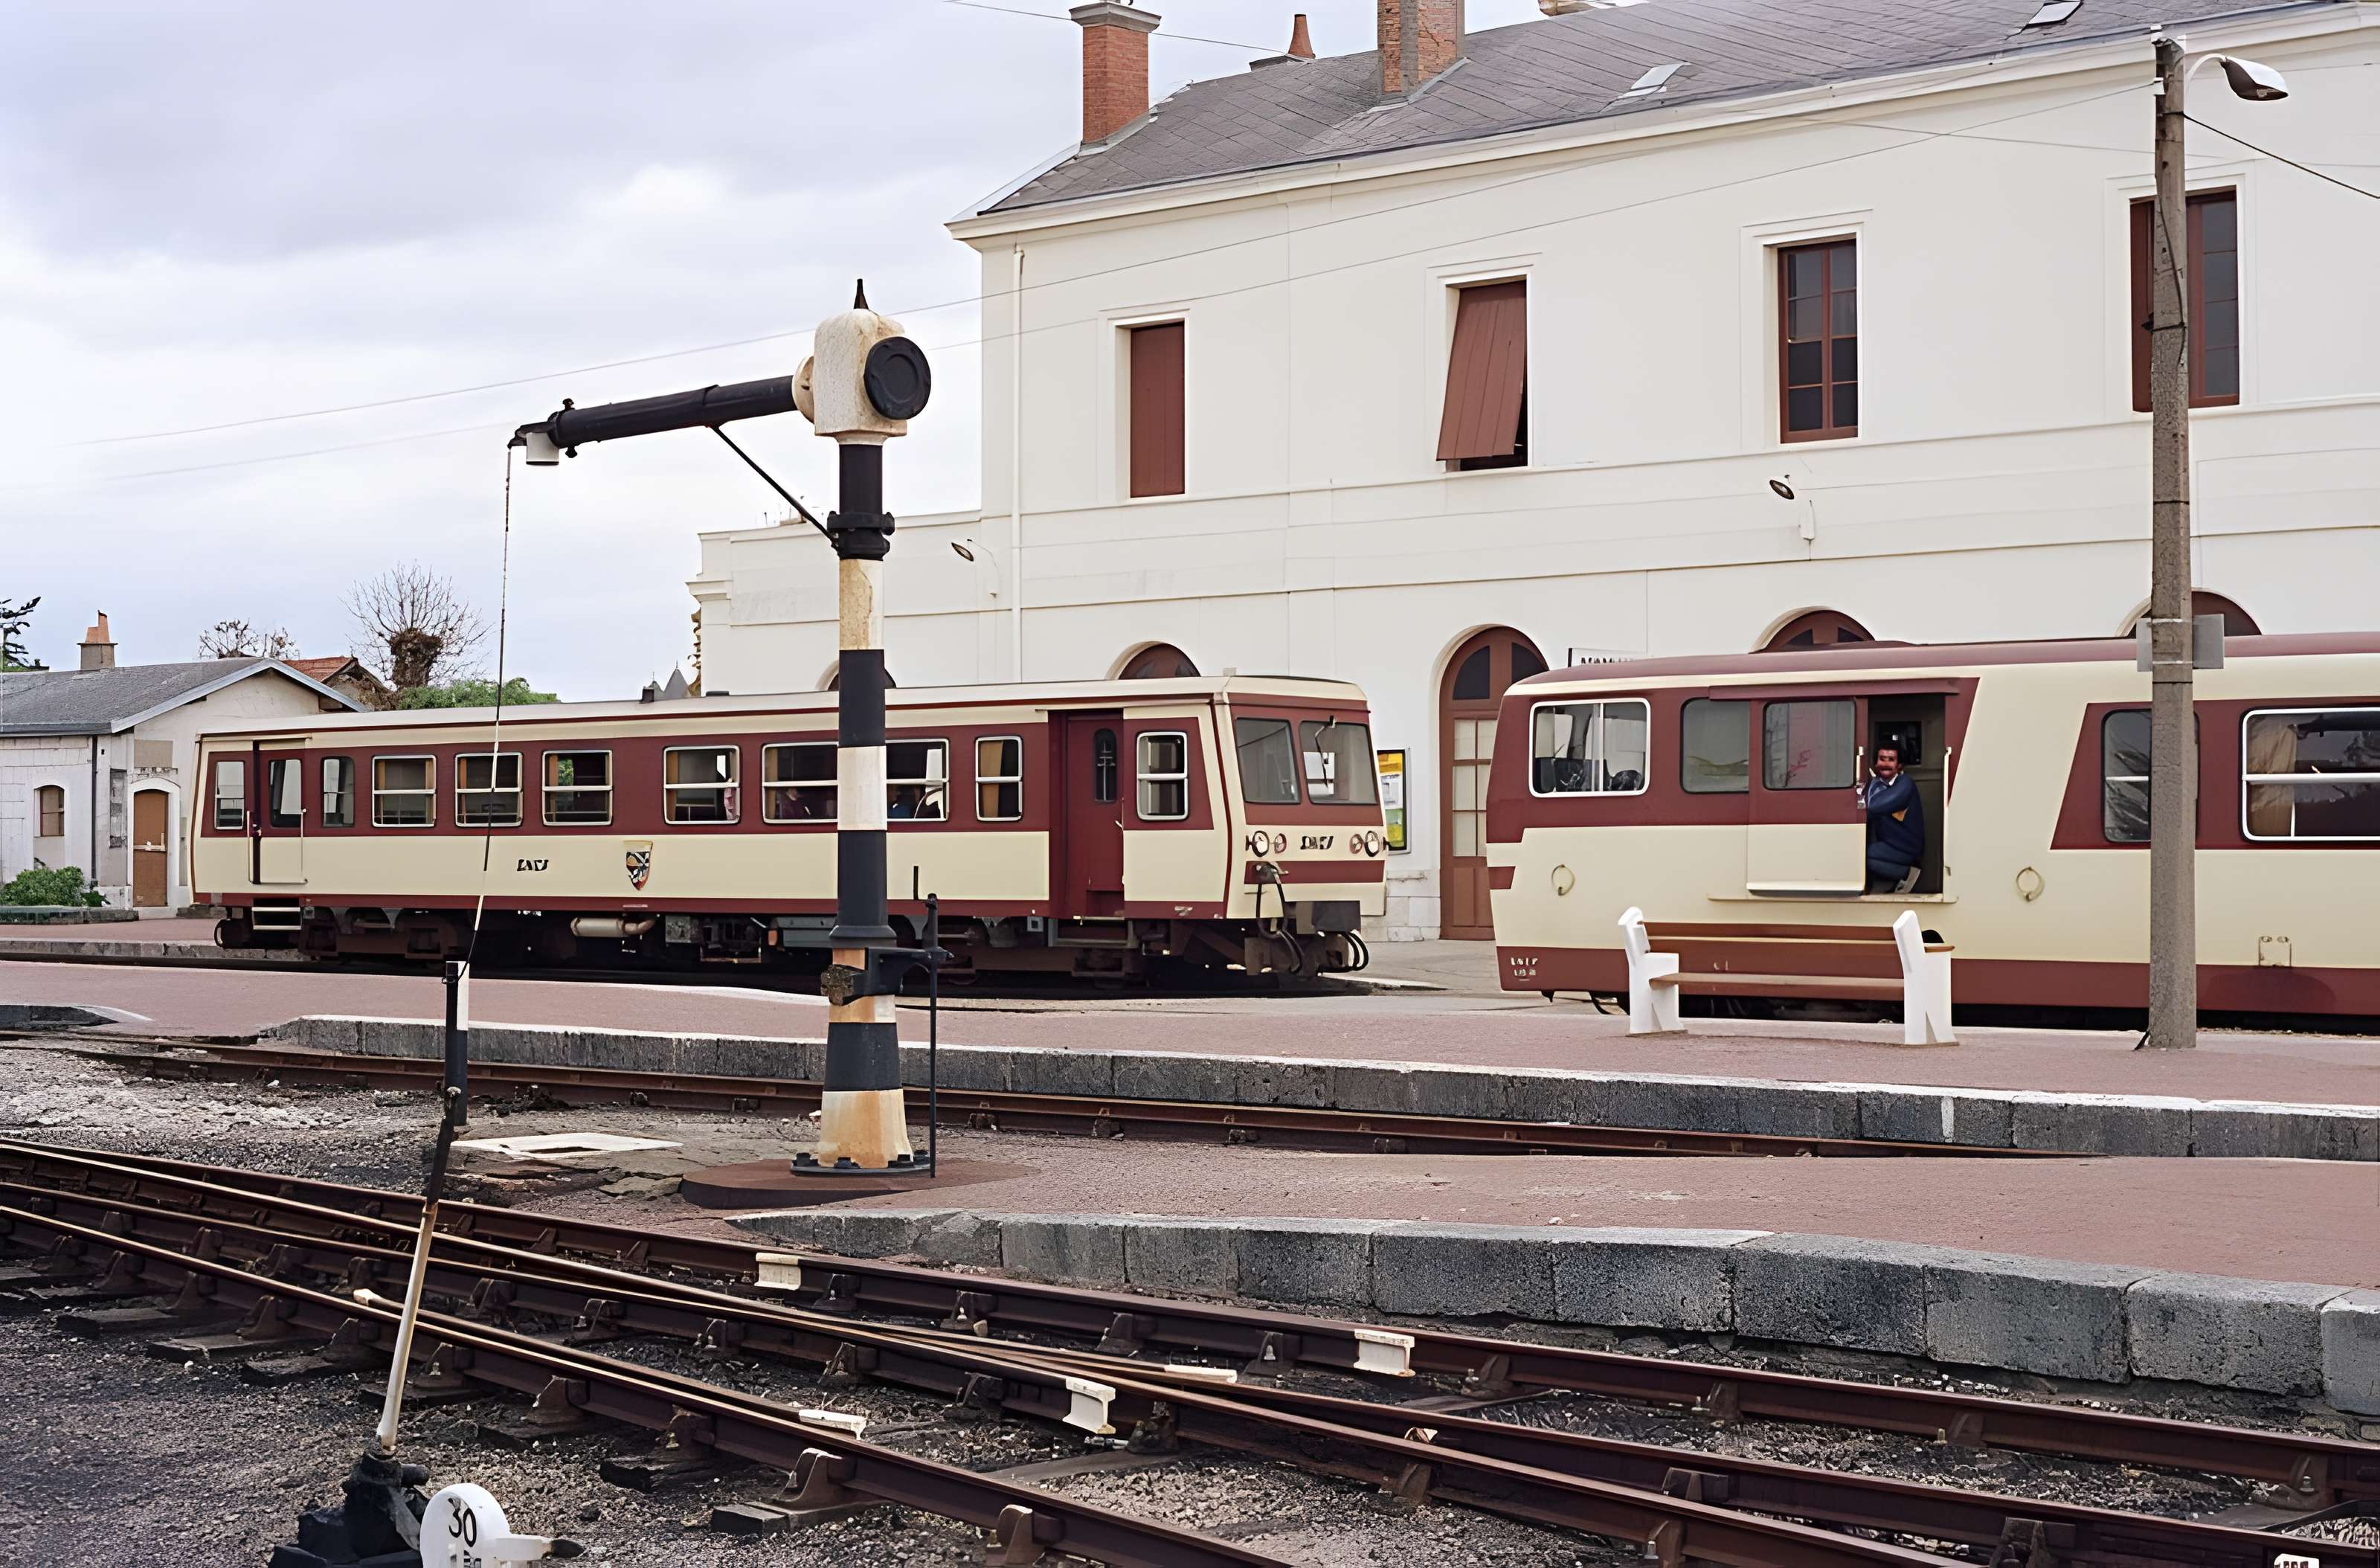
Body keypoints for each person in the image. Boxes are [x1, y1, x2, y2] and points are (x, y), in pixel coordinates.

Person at [1863, 741, 1925, 894]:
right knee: (1860, 854)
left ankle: (1906, 874)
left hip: (1905, 847)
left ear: (1899, 765)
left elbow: (1875, 806)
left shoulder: (1905, 784)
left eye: (1891, 760)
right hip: (1888, 843)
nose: (1886, 763)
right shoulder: (1879, 783)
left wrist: (1875, 782)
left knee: (1859, 856)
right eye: (1882, 759)